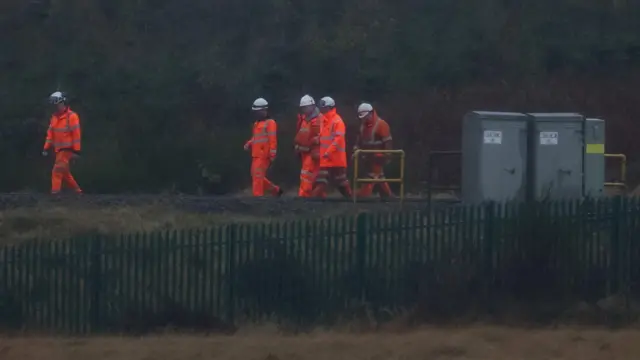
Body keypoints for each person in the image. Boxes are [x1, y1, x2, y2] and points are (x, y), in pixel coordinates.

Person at [42, 91, 83, 194]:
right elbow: (50, 134)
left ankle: (55, 194)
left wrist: (77, 151)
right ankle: (78, 192)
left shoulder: (72, 116)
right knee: (65, 173)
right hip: (58, 150)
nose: (55, 106)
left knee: (57, 171)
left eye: (57, 104)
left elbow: (76, 135)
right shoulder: (54, 118)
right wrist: (46, 147)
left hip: (67, 150)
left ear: (63, 102)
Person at [311, 96, 352, 198]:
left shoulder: (338, 121)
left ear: (329, 107)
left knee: (341, 182)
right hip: (326, 158)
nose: (321, 109)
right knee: (321, 181)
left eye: (323, 107)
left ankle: (351, 199)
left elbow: (338, 139)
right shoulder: (324, 120)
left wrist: (328, 152)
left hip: (336, 159)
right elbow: (324, 135)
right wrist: (317, 139)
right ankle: (312, 199)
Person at [244, 98, 283, 197]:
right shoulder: (256, 124)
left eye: (258, 111)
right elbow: (256, 138)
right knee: (256, 176)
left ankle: (258, 198)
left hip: (264, 155)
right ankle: (276, 190)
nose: (256, 114)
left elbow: (272, 139)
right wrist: (249, 143)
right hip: (256, 154)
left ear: (263, 110)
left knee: (257, 177)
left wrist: (272, 154)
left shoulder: (270, 123)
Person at [353, 102, 394, 198]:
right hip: (368, 158)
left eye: (365, 117)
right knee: (379, 176)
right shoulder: (363, 127)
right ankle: (388, 196)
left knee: (373, 176)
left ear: (371, 113)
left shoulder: (381, 125)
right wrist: (356, 150)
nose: (364, 119)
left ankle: (363, 195)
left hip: (378, 158)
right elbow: (359, 141)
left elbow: (388, 142)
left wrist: (387, 156)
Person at [294, 95, 322, 197]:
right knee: (312, 178)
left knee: (307, 176)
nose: (304, 110)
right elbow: (301, 135)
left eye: (306, 107)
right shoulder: (304, 119)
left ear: (312, 106)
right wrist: (298, 146)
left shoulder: (318, 120)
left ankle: (303, 197)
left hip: (313, 154)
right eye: (303, 108)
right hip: (304, 152)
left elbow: (320, 137)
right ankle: (317, 197)